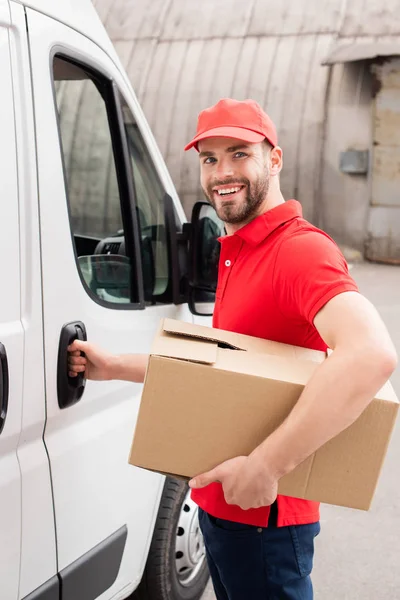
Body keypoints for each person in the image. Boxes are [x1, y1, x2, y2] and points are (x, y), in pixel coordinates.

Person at [68, 98, 398, 599]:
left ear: (275, 159)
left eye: (239, 153)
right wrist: (112, 365)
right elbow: (218, 370)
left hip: (265, 520)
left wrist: (264, 467)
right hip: (222, 509)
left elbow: (370, 355)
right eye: (209, 158)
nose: (222, 172)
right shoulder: (240, 248)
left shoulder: (299, 251)